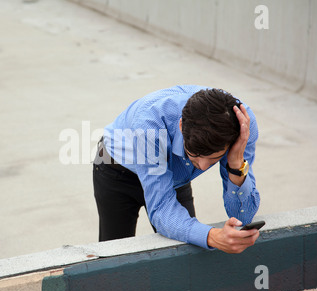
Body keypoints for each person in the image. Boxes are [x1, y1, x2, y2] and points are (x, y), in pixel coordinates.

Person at [93, 85, 261, 254]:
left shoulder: (243, 125)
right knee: (114, 254)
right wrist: (212, 236)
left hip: (172, 173)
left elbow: (243, 217)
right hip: (116, 171)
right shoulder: (149, 124)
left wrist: (236, 165)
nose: (202, 166)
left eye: (213, 158)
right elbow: (161, 210)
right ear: (181, 126)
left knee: (185, 252)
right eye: (193, 155)